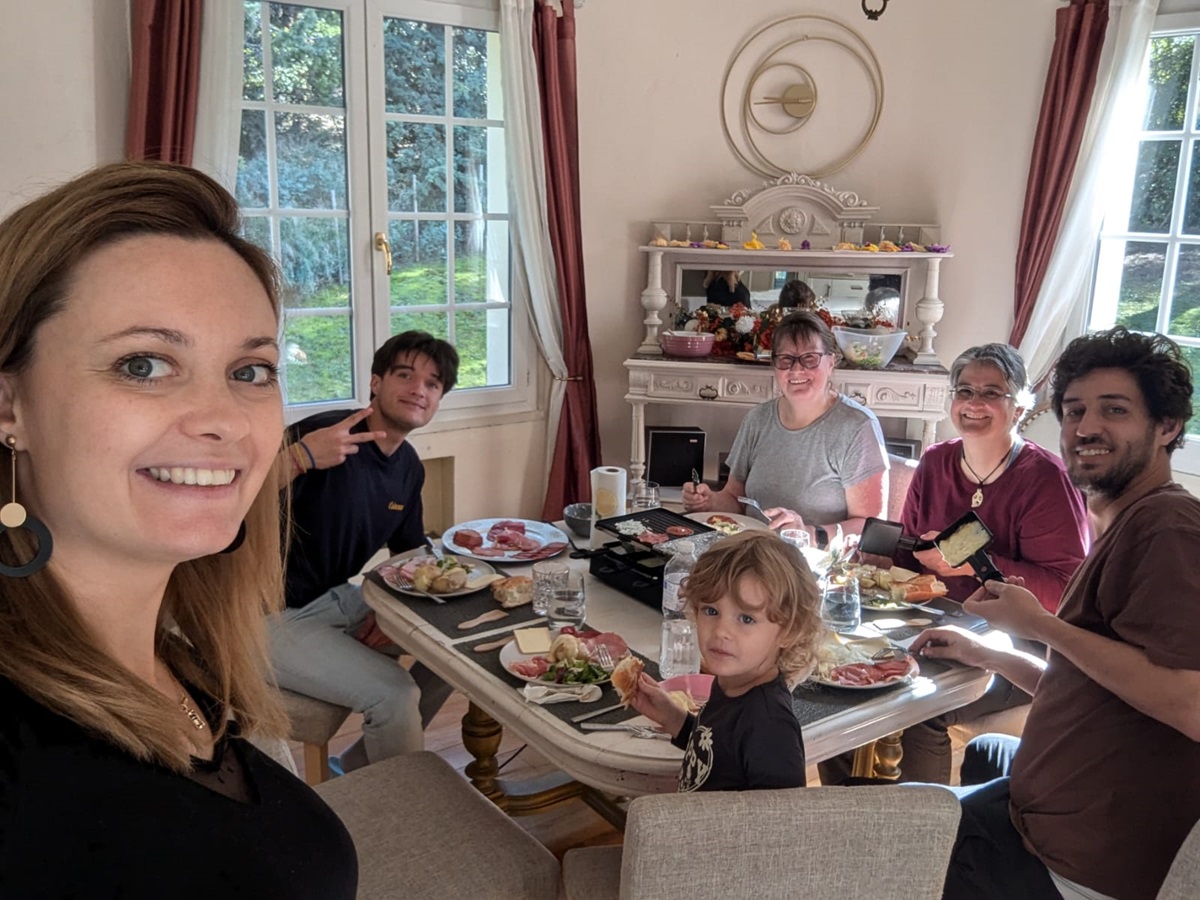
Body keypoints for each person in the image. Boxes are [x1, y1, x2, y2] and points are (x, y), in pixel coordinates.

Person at [0, 162, 356, 896]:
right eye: (144, 363)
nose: (224, 419)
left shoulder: (183, 658)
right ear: (10, 409)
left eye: (251, 370)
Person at [913, 327, 1200, 900]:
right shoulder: (1127, 525)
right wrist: (990, 652)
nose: (1086, 428)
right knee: (952, 782)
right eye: (1074, 411)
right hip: (1041, 816)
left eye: (1114, 410)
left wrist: (1039, 625)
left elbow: (1191, 704)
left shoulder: (1168, 528)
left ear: (1167, 427)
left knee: (877, 845)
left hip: (1076, 862)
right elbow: (1095, 689)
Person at [883, 344, 1090, 783]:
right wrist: (874, 553)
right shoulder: (936, 462)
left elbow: (1066, 591)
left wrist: (971, 565)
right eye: (965, 390)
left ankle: (931, 840)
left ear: (1019, 408)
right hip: (933, 622)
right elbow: (910, 552)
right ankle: (856, 816)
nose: (975, 403)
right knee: (860, 686)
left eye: (992, 393)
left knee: (919, 706)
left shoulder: (1045, 479)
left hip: (1018, 646)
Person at [268, 331, 458, 772]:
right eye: (405, 375)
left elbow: (411, 554)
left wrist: (393, 612)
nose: (419, 390)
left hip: (336, 598)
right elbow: (230, 500)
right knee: (394, 694)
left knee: (454, 655)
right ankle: (398, 818)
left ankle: (359, 773)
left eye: (433, 384)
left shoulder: (408, 465)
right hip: (266, 616)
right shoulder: (325, 434)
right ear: (376, 382)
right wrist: (300, 458)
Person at [627, 531, 823, 791]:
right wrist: (673, 718)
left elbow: (780, 825)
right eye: (711, 611)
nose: (721, 631)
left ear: (789, 630)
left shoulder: (770, 727)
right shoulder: (731, 682)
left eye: (746, 619)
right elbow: (717, 752)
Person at [682, 311, 889, 544]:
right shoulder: (757, 419)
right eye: (785, 359)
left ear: (831, 361)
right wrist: (709, 501)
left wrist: (807, 533)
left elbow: (873, 528)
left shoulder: (857, 427)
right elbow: (735, 499)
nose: (796, 370)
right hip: (753, 554)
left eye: (810, 358)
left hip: (817, 565)